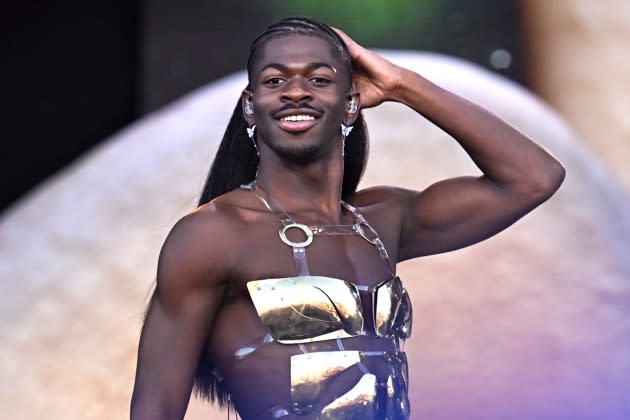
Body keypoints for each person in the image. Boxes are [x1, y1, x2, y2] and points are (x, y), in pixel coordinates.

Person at [130, 16, 565, 420]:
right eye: (274, 80)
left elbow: (533, 178)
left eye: (319, 80)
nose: (296, 91)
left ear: (352, 103)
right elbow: (155, 408)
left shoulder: (381, 222)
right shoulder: (213, 234)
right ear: (250, 106)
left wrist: (401, 84)